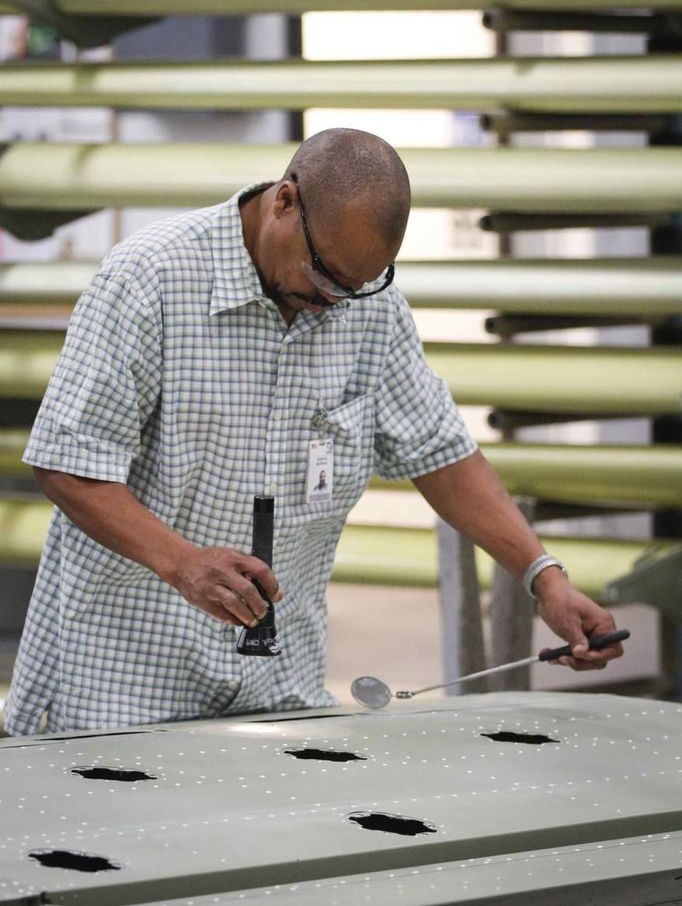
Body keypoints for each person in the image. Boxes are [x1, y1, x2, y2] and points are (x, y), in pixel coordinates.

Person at [5, 128, 624, 735]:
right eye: (324, 274)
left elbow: (441, 453)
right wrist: (182, 562)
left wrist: (544, 576)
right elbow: (69, 462)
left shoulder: (366, 308)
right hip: (123, 683)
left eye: (357, 284)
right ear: (284, 201)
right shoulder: (150, 280)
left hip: (278, 690)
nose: (334, 300)